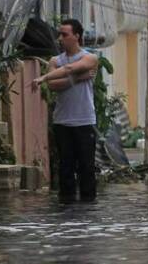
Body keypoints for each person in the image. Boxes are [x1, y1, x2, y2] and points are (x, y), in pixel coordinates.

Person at [33, 19, 99, 202]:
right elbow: (54, 86)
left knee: (86, 166)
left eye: (64, 34)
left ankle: (88, 206)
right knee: (65, 166)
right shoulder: (55, 60)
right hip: (62, 121)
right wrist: (76, 79)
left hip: (85, 121)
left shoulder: (90, 57)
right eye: (59, 34)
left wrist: (43, 78)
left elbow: (71, 68)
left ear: (76, 36)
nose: (60, 38)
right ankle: (66, 204)